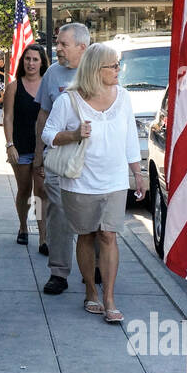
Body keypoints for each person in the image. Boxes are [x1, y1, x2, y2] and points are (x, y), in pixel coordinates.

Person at [41, 43, 145, 322]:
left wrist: (137, 173)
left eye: (117, 65)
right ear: (95, 70)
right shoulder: (69, 100)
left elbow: (130, 139)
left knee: (109, 236)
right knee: (86, 235)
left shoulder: (123, 97)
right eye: (112, 66)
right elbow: (48, 135)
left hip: (114, 181)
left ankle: (109, 298)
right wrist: (74, 134)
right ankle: (91, 291)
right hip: (80, 182)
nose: (117, 70)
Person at [32, 23, 91, 294]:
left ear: (82, 47)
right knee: (59, 214)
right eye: (57, 43)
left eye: (63, 44)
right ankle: (58, 272)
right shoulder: (52, 74)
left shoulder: (97, 71)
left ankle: (95, 267)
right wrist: (38, 156)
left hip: (91, 160)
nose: (57, 48)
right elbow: (42, 117)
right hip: (58, 156)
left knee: (93, 216)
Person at [2, 43, 49, 247]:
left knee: (41, 191)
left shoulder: (47, 86)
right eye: (28, 59)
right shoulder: (14, 86)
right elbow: (7, 117)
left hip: (42, 148)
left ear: (42, 62)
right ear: (23, 61)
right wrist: (9, 144)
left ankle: (43, 237)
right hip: (20, 146)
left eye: (35, 59)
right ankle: (23, 226)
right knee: (24, 190)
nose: (31, 63)